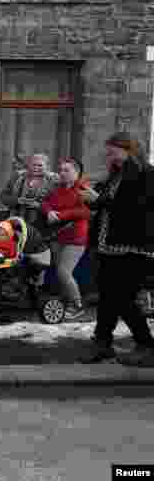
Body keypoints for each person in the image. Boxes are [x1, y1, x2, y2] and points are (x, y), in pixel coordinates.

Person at [79, 132, 154, 366]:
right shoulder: (116, 175)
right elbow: (107, 204)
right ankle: (102, 344)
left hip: (133, 248)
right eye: (108, 151)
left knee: (122, 298)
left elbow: (139, 210)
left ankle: (146, 345)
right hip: (107, 246)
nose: (109, 155)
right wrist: (92, 199)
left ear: (129, 149)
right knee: (108, 297)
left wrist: (100, 200)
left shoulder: (147, 175)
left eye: (113, 151)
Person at [40, 158, 91, 320]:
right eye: (61, 170)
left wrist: (60, 215)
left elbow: (85, 212)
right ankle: (65, 302)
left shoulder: (84, 189)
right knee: (58, 271)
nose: (62, 173)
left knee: (64, 271)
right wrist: (48, 212)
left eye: (66, 170)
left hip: (76, 237)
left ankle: (77, 305)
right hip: (57, 236)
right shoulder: (58, 188)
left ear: (76, 172)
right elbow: (45, 202)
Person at [0, 153, 58, 228]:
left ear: (47, 166)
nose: (36, 168)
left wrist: (39, 205)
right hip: (17, 220)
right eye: (34, 165)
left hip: (42, 222)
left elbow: (58, 200)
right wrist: (17, 200)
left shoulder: (54, 180)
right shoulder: (18, 177)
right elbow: (3, 196)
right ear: (29, 165)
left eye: (40, 165)